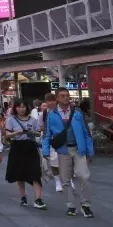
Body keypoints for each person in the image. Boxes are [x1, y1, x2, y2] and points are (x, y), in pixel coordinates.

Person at [42, 87, 94, 218]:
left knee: (84, 176)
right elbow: (47, 134)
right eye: (63, 96)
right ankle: (71, 205)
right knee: (65, 179)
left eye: (67, 95)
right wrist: (46, 150)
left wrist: (90, 150)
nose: (66, 98)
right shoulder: (52, 114)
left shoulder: (77, 113)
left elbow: (86, 132)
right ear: (57, 98)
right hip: (63, 150)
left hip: (78, 149)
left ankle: (85, 205)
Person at [4, 99, 45, 209]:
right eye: (19, 107)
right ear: (15, 108)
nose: (21, 109)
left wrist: (32, 132)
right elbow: (7, 135)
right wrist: (16, 132)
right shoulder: (11, 119)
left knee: (35, 173)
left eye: (23, 107)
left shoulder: (33, 120)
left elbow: (38, 133)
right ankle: (23, 196)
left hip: (30, 147)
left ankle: (38, 199)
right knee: (19, 174)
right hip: (17, 147)